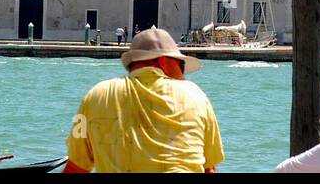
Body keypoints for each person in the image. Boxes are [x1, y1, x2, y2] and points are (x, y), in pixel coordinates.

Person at [65, 27, 223, 173]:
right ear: (164, 61)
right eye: (181, 66)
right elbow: (209, 169)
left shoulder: (96, 95)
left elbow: (76, 168)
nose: (183, 75)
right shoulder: (196, 95)